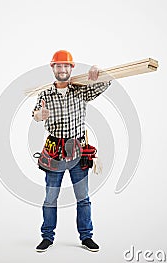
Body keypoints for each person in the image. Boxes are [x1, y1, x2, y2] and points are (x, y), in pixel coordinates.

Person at [32, 50, 111, 252]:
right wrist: (40, 115)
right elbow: (36, 114)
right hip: (54, 154)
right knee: (50, 199)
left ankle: (86, 237)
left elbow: (104, 84)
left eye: (66, 66)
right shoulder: (45, 95)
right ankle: (47, 237)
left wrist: (99, 74)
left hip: (77, 152)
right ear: (53, 68)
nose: (62, 69)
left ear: (71, 68)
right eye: (59, 66)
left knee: (83, 198)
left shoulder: (80, 90)